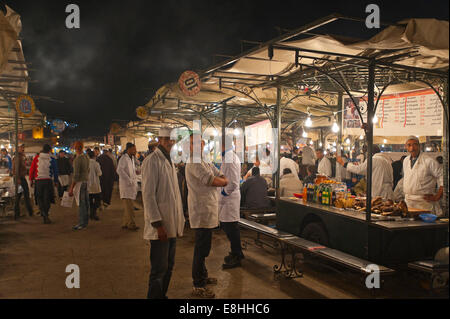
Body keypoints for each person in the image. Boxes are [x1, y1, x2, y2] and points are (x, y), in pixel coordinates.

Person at [142, 127, 185, 299]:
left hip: (172, 223)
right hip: (161, 226)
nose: (170, 142)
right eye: (166, 139)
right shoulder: (152, 161)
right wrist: (158, 225)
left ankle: (162, 296)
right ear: (159, 140)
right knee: (159, 269)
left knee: (169, 265)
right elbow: (148, 195)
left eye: (172, 139)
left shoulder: (169, 160)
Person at [185, 134, 228, 299]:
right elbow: (213, 180)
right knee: (201, 249)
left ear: (202, 144)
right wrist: (223, 181)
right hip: (201, 211)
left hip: (208, 209)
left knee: (205, 247)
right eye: (190, 143)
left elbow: (219, 173)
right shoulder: (194, 162)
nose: (194, 146)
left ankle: (203, 275)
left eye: (196, 142)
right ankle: (198, 284)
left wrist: (221, 179)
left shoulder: (204, 160)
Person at [218, 134, 244, 269]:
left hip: (230, 198)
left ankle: (237, 255)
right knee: (228, 226)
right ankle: (236, 251)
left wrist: (223, 192)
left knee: (231, 227)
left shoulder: (230, 158)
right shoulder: (228, 156)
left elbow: (233, 182)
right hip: (229, 198)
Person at [401, 136, 443, 214]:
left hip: (424, 202)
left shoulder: (429, 161)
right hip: (408, 201)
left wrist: (437, 196)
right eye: (409, 145)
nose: (412, 148)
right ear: (406, 147)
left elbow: (442, 177)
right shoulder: (406, 160)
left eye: (415, 144)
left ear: (419, 146)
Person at [29, 144, 58, 224]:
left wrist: (31, 180)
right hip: (48, 181)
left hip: (38, 181)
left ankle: (43, 212)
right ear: (49, 151)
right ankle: (46, 214)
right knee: (47, 199)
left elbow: (32, 170)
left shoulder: (36, 158)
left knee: (39, 198)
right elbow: (55, 171)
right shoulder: (52, 159)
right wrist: (56, 181)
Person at [116, 143, 139, 231]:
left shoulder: (131, 158)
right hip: (126, 187)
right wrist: (128, 179)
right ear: (128, 149)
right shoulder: (123, 158)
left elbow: (133, 169)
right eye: (134, 149)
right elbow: (119, 170)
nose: (135, 151)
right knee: (130, 208)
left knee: (128, 207)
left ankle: (125, 223)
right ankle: (131, 224)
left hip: (131, 186)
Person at [69, 141, 90, 230]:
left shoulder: (77, 159)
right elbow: (88, 170)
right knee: (85, 203)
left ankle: (81, 223)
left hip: (80, 183)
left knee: (81, 204)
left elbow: (76, 175)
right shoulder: (86, 157)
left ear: (75, 148)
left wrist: (71, 188)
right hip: (85, 181)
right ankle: (85, 222)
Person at [13, 144, 33, 218]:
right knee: (20, 195)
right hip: (19, 178)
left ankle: (28, 212)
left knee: (24, 195)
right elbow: (16, 168)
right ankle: (18, 213)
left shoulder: (21, 157)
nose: (23, 149)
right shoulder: (17, 157)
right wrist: (18, 179)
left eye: (23, 147)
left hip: (21, 178)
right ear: (17, 148)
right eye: (21, 147)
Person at [87, 150, 102, 221]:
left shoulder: (85, 164)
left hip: (87, 185)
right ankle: (93, 213)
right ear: (94, 156)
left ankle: (91, 213)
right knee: (97, 200)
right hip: (95, 185)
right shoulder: (96, 164)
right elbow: (99, 173)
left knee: (89, 200)